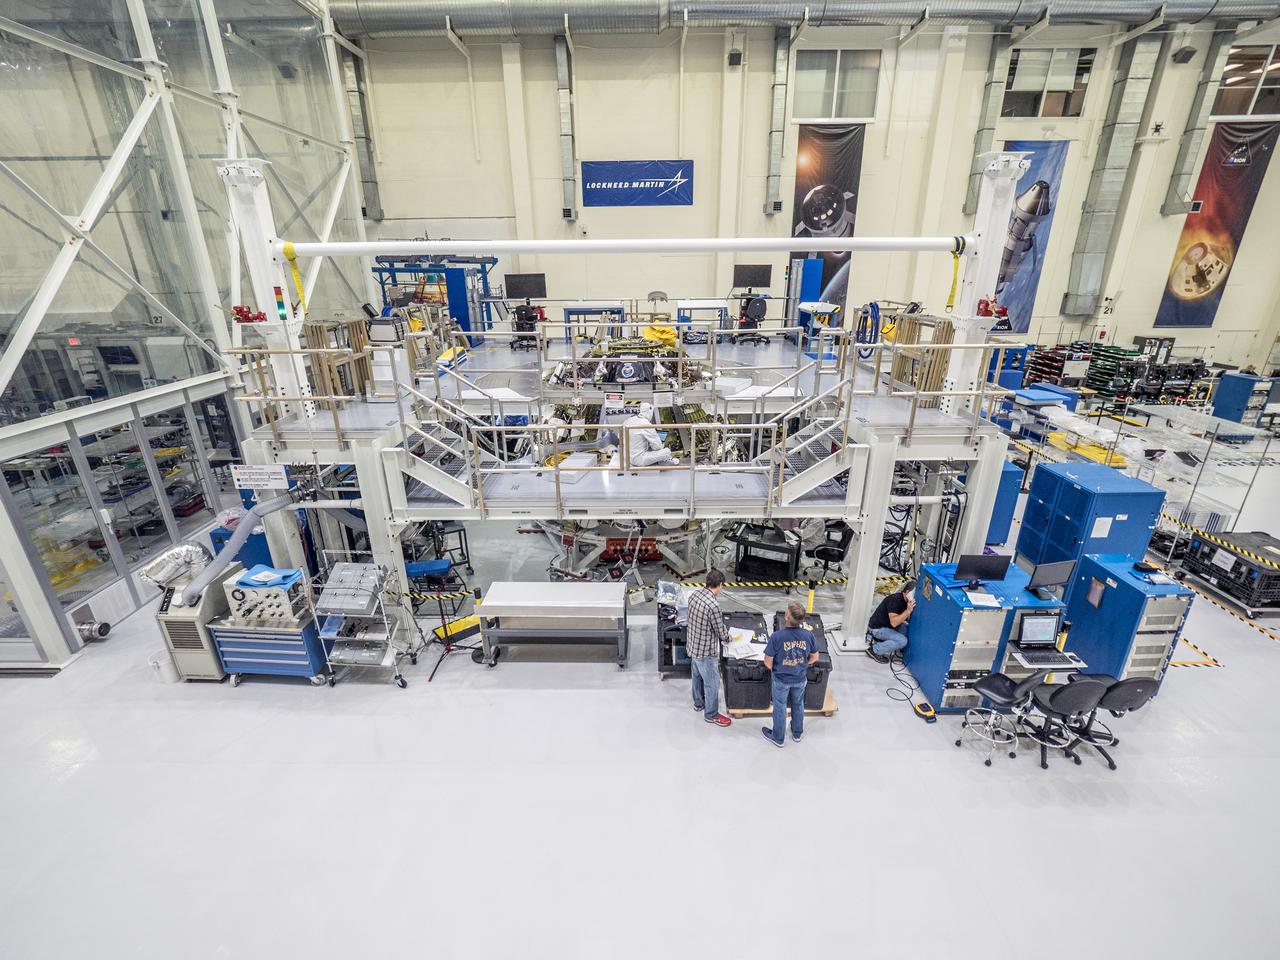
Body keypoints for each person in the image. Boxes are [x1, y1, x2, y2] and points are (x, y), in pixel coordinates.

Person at [762, 601, 819, 747]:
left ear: (786, 617)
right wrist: (803, 665)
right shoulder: (808, 635)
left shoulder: (777, 637)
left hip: (781, 679)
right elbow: (815, 657)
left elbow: (768, 662)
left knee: (780, 706)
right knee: (798, 704)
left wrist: (777, 669)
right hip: (800, 678)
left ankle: (778, 737)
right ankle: (797, 733)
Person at [685, 568, 732, 727]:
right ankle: (711, 714)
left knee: (696, 677)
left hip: (693, 646)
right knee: (712, 683)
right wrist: (728, 637)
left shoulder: (694, 595)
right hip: (706, 651)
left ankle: (698, 703)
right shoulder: (713, 605)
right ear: (719, 585)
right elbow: (720, 630)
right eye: (722, 586)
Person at [867, 580, 916, 663]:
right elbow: (894, 622)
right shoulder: (895, 600)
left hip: (888, 625)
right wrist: (908, 611)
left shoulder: (906, 601)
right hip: (877, 628)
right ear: (907, 592)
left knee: (906, 628)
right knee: (903, 641)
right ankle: (874, 650)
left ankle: (892, 646)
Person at [622, 402, 677, 467]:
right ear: (649, 412)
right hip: (638, 460)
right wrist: (662, 444)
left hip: (626, 456)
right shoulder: (646, 424)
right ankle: (668, 462)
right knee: (667, 451)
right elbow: (657, 447)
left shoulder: (628, 420)